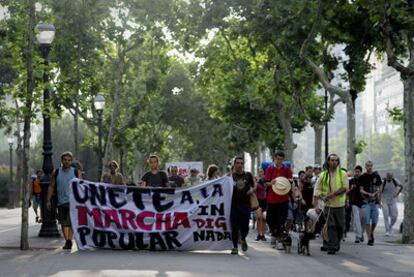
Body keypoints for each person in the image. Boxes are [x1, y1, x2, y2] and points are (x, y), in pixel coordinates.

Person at [313, 154, 348, 255]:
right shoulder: (323, 174)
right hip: (328, 205)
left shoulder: (342, 173)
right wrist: (320, 198)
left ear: (338, 162)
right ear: (328, 162)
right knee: (331, 225)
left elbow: (345, 188)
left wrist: (333, 194)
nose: (333, 162)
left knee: (340, 226)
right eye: (331, 160)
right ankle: (332, 247)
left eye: (335, 160)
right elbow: (317, 189)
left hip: (340, 205)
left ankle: (336, 243)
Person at [47, 152, 80, 250]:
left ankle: (69, 241)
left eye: (69, 160)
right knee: (63, 223)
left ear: (71, 161)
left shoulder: (75, 172)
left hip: (73, 201)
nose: (67, 162)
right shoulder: (56, 172)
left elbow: (81, 185)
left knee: (70, 223)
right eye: (65, 160)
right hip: (61, 202)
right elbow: (51, 186)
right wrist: (48, 200)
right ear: (62, 161)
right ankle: (68, 240)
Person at [230, 156, 261, 255]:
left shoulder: (248, 175)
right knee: (234, 226)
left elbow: (254, 185)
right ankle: (234, 246)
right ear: (234, 164)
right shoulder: (230, 176)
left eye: (241, 163)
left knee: (245, 227)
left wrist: (252, 189)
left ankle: (243, 238)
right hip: (233, 205)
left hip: (246, 205)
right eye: (237, 163)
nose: (239, 165)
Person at [264, 150, 294, 250]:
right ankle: (274, 234)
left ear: (283, 159)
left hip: (283, 198)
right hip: (271, 198)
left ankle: (279, 240)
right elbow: (266, 182)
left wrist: (290, 181)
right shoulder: (270, 168)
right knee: (270, 219)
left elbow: (290, 181)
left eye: (281, 159)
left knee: (281, 220)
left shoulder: (287, 170)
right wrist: (270, 183)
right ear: (274, 158)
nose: (279, 161)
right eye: (278, 159)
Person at [359, 161, 382, 246]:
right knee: (367, 220)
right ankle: (369, 239)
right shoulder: (362, 177)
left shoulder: (376, 176)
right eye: (368, 166)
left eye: (371, 166)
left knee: (375, 220)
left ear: (372, 166)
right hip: (366, 202)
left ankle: (370, 233)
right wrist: (369, 194)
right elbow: (361, 190)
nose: (369, 167)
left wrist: (378, 197)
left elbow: (380, 188)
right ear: (365, 166)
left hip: (374, 202)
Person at [381, 172, 403, 236]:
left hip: (393, 201)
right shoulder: (383, 182)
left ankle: (390, 226)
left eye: (391, 177)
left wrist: (397, 193)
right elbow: (380, 191)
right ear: (387, 176)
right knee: (386, 216)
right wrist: (379, 201)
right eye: (389, 177)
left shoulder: (395, 181)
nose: (390, 178)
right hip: (385, 201)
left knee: (394, 216)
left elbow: (402, 186)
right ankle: (387, 231)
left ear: (393, 176)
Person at [349, 165, 365, 243]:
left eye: (358, 172)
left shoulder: (364, 180)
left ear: (361, 172)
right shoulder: (352, 181)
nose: (357, 173)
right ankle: (358, 236)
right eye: (356, 172)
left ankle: (361, 233)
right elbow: (348, 191)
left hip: (363, 202)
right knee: (356, 219)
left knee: (363, 219)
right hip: (354, 202)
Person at [255, 167, 267, 241]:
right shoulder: (255, 179)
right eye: (259, 171)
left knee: (264, 218)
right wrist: (257, 181)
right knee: (259, 218)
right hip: (257, 201)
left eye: (262, 171)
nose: (260, 173)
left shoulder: (266, 180)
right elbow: (254, 189)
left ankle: (263, 234)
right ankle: (259, 234)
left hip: (265, 201)